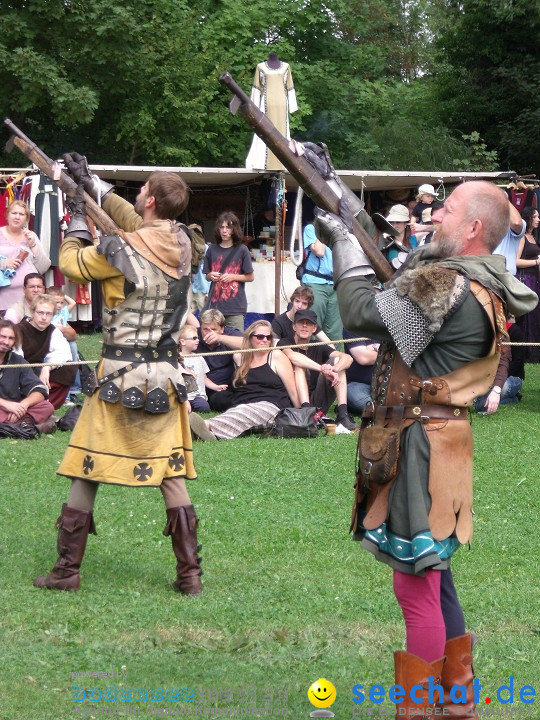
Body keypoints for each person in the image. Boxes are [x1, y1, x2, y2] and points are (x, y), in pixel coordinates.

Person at [314, 180, 537, 718]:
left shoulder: (450, 284)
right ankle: (457, 704)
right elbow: (398, 277)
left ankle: (420, 712)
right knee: (437, 581)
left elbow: (363, 311)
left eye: (449, 209)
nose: (436, 215)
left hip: (420, 447)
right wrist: (340, 197)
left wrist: (343, 243)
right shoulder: (474, 282)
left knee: (416, 588)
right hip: (441, 441)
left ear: (474, 228)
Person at [33, 159, 203, 595]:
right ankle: (190, 575)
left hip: (119, 373)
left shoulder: (120, 251)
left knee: (84, 468)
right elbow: (139, 222)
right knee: (172, 475)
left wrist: (75, 213)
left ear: (148, 199)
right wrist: (92, 184)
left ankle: (66, 571)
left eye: (142, 191)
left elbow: (69, 262)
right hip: (164, 374)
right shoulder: (185, 242)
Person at [190, 321, 298, 441]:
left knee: (244, 412)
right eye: (260, 336)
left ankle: (206, 425)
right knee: (236, 413)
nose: (265, 340)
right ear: (250, 338)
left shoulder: (276, 355)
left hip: (271, 405)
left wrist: (301, 413)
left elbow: (292, 391)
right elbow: (241, 343)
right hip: (242, 404)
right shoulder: (240, 358)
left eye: (269, 337)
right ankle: (207, 434)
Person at [277, 309, 357, 433]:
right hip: (294, 402)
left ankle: (342, 415)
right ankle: (306, 414)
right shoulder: (284, 342)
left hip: (317, 402)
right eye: (301, 323)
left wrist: (334, 369)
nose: (304, 326)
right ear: (294, 326)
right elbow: (294, 357)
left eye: (308, 323)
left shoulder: (318, 345)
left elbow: (347, 358)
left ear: (314, 328)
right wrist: (322, 368)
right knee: (299, 365)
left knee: (337, 361)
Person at [17, 294, 76, 409]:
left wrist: (47, 367)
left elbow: (63, 353)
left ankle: (46, 407)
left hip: (39, 369)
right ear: (32, 311)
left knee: (69, 369)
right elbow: (16, 357)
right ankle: (30, 404)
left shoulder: (53, 330)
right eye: (40, 313)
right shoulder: (20, 329)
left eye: (48, 314)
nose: (44, 317)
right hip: (20, 371)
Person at [0, 319, 55, 433]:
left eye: (11, 338)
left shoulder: (17, 360)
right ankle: (23, 425)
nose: (6, 341)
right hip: (3, 407)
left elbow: (39, 390)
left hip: (15, 408)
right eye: (3, 336)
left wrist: (23, 405)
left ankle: (12, 426)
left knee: (47, 407)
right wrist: (6, 405)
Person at [202, 212, 254, 332]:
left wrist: (232, 277)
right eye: (222, 227)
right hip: (214, 306)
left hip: (235, 307)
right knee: (213, 341)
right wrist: (211, 275)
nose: (224, 231)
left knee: (236, 341)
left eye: (228, 227)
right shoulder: (211, 249)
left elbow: (250, 277)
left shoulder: (242, 249)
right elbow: (207, 275)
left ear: (234, 229)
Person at [0, 200, 51, 314]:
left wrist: (33, 245)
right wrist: (4, 264)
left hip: (26, 299)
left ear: (26, 219)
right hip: (3, 297)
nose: (17, 217)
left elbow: (44, 267)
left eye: (21, 214)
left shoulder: (30, 236)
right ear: (7, 215)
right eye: (14, 213)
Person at [301, 220, 343, 344]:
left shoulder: (339, 230)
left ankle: (332, 359)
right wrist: (324, 229)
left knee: (334, 331)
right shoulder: (310, 228)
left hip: (335, 283)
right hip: (315, 282)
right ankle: (310, 358)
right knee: (313, 325)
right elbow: (319, 251)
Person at [473, 315, 525, 413]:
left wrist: (495, 380)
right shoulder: (483, 331)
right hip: (490, 376)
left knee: (498, 392)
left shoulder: (514, 331)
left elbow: (517, 363)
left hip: (512, 377)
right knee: (481, 400)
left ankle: (514, 397)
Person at [197, 309, 244, 411]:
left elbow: (247, 344)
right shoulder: (194, 336)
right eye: (205, 329)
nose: (209, 333)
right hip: (209, 389)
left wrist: (220, 338)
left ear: (222, 329)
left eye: (213, 329)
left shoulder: (230, 333)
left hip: (232, 384)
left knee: (239, 355)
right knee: (221, 400)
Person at [179, 324, 227, 412]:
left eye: (197, 338)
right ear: (182, 342)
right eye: (194, 338)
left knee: (204, 408)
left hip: (197, 396)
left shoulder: (199, 357)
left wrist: (216, 387)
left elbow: (204, 378)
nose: (198, 340)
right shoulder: (176, 359)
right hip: (181, 396)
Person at [515, 207, 540, 362]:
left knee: (535, 315)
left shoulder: (533, 237)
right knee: (527, 315)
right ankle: (526, 352)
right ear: (529, 218)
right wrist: (536, 261)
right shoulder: (522, 237)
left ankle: (534, 352)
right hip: (525, 279)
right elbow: (516, 261)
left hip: (535, 279)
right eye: (536, 217)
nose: (538, 219)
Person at [342, 327, 378, 416]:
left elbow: (399, 355)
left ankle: (386, 409)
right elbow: (363, 358)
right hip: (358, 385)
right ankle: (386, 410)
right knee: (355, 397)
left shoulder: (391, 326)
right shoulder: (353, 327)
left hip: (390, 383)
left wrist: (371, 349)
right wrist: (387, 353)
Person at [379, 204, 417, 269]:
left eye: (398, 222)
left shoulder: (413, 238)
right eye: (392, 222)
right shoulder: (385, 241)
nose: (394, 225)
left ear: (405, 224)